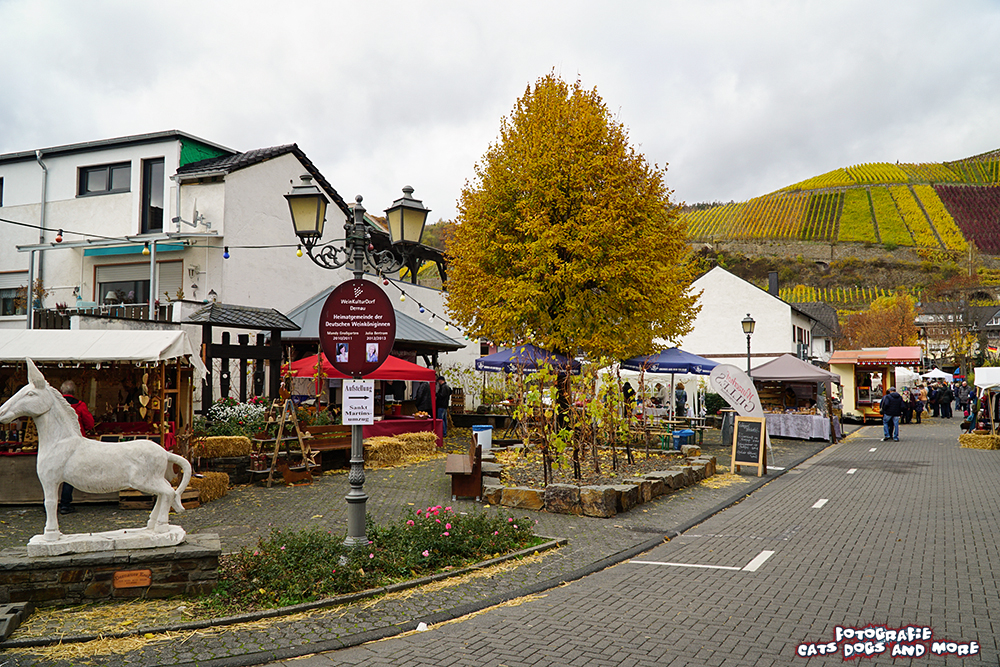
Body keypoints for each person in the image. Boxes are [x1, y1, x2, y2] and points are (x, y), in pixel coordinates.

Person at [59, 380, 94, 515]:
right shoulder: (80, 406)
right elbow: (89, 423)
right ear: (74, 392)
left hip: (57, 442)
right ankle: (65, 504)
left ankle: (49, 502)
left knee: (53, 474)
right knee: (69, 473)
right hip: (74, 444)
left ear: (62, 392)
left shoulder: (56, 406)